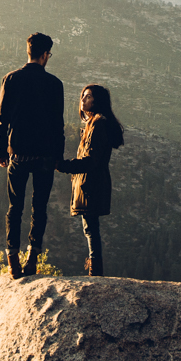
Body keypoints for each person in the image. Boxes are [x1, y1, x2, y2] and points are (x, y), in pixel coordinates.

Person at [0, 32, 64, 278]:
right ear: (45, 55)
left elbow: (3, 119)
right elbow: (58, 124)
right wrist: (58, 155)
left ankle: (12, 260)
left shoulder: (11, 79)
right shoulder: (55, 84)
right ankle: (33, 257)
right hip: (45, 155)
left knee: (15, 207)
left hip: (19, 154)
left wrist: (1, 149)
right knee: (40, 207)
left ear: (29, 51)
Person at [58, 83, 125, 277]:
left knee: (90, 229)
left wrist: (63, 166)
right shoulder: (94, 124)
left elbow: (91, 160)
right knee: (90, 227)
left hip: (91, 183)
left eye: (87, 96)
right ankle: (95, 269)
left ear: (97, 101)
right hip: (92, 182)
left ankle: (95, 271)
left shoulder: (97, 124)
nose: (83, 99)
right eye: (83, 96)